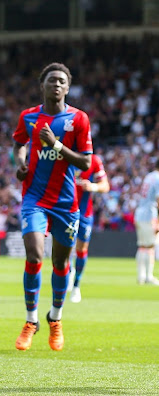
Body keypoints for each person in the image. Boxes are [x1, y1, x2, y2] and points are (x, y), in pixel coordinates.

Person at [12, 63, 93, 351]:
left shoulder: (79, 119)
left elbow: (85, 163)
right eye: (51, 80)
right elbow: (19, 144)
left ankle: (55, 318)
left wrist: (56, 145)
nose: (56, 84)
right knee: (34, 256)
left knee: (60, 263)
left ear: (67, 88)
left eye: (61, 81)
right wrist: (20, 165)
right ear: (42, 85)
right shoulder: (29, 116)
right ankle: (31, 320)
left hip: (66, 203)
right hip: (34, 198)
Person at [67, 153, 110, 303]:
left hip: (84, 212)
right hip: (64, 210)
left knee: (81, 249)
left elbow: (105, 186)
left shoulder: (94, 160)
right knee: (64, 247)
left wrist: (93, 186)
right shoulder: (64, 155)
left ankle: (76, 286)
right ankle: (69, 272)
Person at [134, 155, 159, 286]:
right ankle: (148, 277)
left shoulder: (149, 176)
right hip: (149, 215)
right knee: (150, 246)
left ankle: (141, 276)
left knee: (142, 246)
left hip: (140, 213)